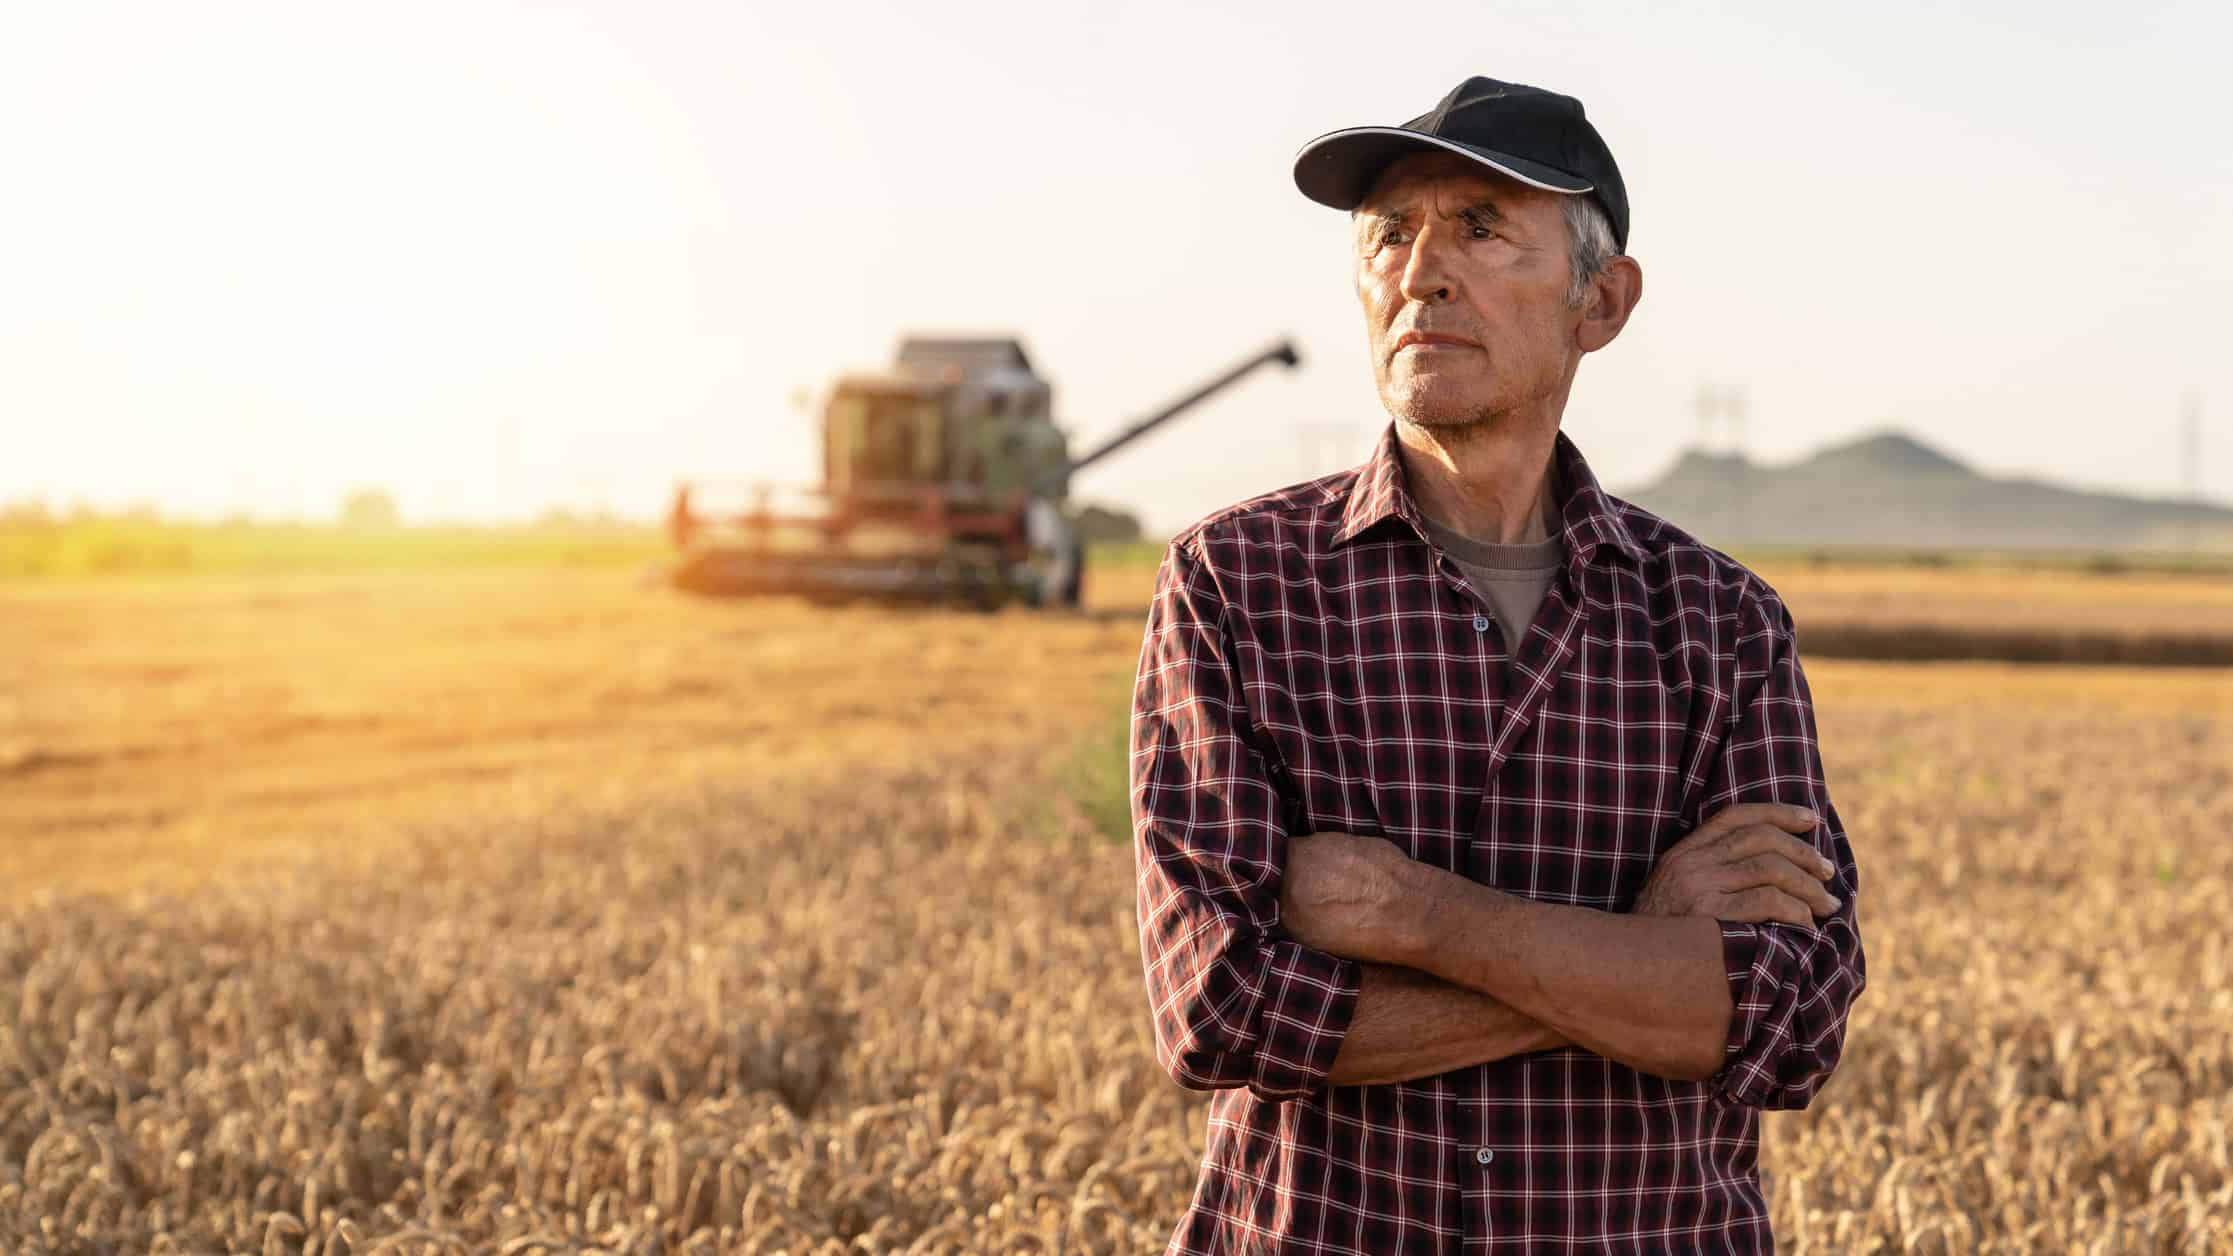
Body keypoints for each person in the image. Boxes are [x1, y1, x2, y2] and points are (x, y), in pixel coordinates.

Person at [1130, 75, 1866, 1252]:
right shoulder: (1238, 583)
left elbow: (1784, 1020)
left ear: (1601, 301)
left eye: (1479, 227)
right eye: (1389, 234)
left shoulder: (1721, 621)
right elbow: (1223, 1010)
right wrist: (1639, 942)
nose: (1421, 268)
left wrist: (1418, 915)